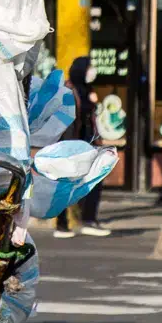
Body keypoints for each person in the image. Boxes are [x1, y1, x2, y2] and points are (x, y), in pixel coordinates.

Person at [53, 55, 110, 238]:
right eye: (89, 67)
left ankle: (89, 220)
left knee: (95, 180)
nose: (92, 71)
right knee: (65, 184)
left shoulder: (87, 90)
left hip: (88, 144)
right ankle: (62, 225)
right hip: (70, 144)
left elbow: (91, 118)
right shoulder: (69, 90)